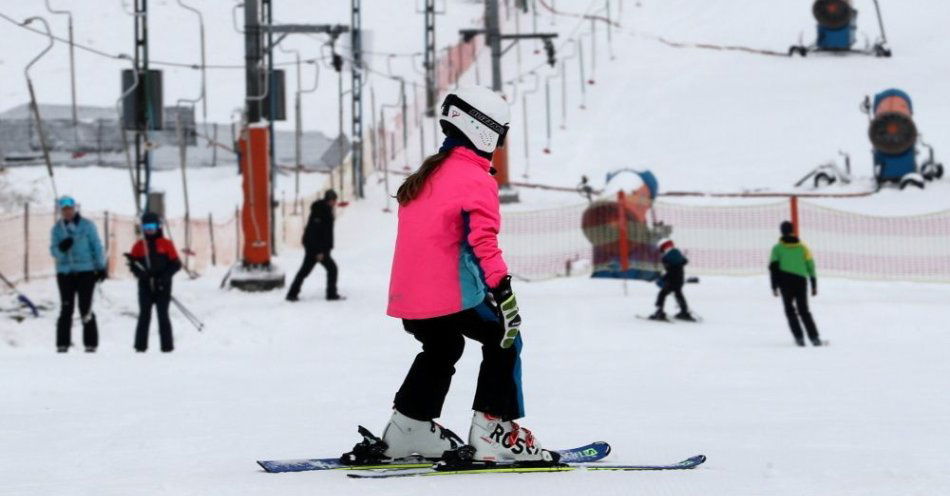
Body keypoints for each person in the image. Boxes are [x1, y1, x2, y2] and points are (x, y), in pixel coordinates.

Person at [369, 86, 555, 465]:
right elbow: (482, 242)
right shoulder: (474, 179)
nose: (499, 146)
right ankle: (494, 430)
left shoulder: (427, 174)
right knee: (506, 337)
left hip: (409, 299)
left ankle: (409, 426)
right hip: (449, 294)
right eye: (500, 136)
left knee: (442, 347)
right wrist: (502, 291)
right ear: (483, 129)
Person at [49, 195, 106, 353]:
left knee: (85, 307)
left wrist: (101, 267)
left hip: (85, 271)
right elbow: (53, 251)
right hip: (65, 272)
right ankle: (62, 343)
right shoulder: (57, 229)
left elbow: (97, 246)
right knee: (66, 307)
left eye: (70, 208)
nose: (67, 212)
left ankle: (90, 343)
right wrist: (62, 248)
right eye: (64, 209)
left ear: (75, 208)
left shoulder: (87, 226)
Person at [126, 212, 181, 352]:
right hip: (145, 286)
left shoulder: (166, 244)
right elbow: (133, 266)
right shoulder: (139, 246)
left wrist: (165, 277)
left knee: (163, 314)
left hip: (163, 286)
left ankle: (167, 347)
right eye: (146, 227)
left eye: (152, 226)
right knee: (144, 314)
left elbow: (176, 264)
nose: (149, 229)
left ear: (158, 226)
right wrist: (141, 274)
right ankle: (140, 346)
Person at [770, 221, 822, 347]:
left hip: (785, 281)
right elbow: (811, 265)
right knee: (804, 310)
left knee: (790, 310)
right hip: (801, 281)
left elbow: (774, 268)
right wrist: (813, 283)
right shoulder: (803, 248)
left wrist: (774, 286)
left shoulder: (777, 249)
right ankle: (814, 338)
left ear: (781, 232)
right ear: (793, 231)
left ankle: (799, 338)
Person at [286, 190, 341, 302]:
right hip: (315, 249)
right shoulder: (320, 211)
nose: (335, 203)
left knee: (307, 271)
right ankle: (331, 294)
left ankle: (292, 293)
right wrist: (318, 251)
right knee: (330, 269)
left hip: (319, 248)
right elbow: (314, 233)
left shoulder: (325, 210)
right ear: (330, 200)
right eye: (334, 200)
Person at [649, 238, 694, 321]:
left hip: (671, 280)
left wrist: (662, 279)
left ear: (663, 247)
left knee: (662, 294)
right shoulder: (677, 253)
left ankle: (659, 312)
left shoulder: (667, 256)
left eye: (661, 249)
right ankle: (684, 312)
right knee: (678, 294)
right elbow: (683, 263)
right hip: (680, 279)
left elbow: (671, 271)